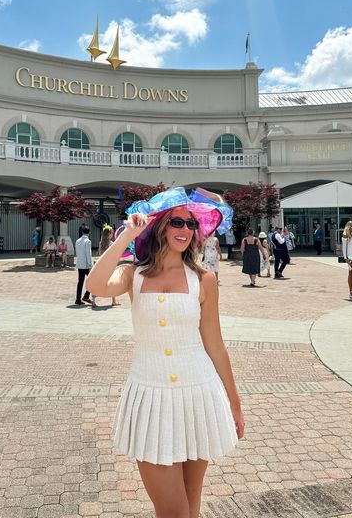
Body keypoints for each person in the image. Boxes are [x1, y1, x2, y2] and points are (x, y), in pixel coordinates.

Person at [86, 186, 243, 518]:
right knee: (173, 510)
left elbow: (215, 345)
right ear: (159, 226)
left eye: (190, 224)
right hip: (151, 397)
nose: (184, 230)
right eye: (176, 222)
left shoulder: (204, 279)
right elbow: (95, 286)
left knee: (191, 501)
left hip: (198, 394)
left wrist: (235, 404)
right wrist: (127, 235)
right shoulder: (134, 274)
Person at [91, 225, 120, 308]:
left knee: (99, 282)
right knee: (112, 282)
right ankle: (113, 301)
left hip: (101, 265)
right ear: (109, 234)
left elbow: (101, 254)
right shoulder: (111, 243)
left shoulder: (101, 243)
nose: (112, 234)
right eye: (112, 233)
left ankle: (93, 299)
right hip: (109, 266)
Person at [75, 225, 93, 305]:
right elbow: (88, 253)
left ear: (82, 232)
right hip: (86, 264)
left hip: (79, 263)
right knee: (92, 280)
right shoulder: (88, 241)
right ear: (89, 232)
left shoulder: (78, 240)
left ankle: (78, 299)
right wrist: (90, 264)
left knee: (80, 282)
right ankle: (86, 295)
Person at [342, 221, 352, 300]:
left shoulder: (351, 234)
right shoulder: (345, 235)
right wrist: (346, 258)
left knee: (351, 275)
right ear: (350, 226)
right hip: (350, 258)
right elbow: (344, 248)